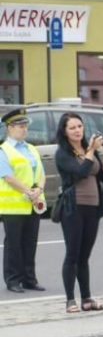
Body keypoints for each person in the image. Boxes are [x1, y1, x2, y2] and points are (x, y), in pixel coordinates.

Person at [54, 112, 103, 313]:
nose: (77, 130)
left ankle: (87, 299)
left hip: (93, 207)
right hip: (73, 208)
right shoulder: (63, 153)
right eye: (72, 128)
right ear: (65, 131)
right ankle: (70, 300)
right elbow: (80, 172)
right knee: (72, 254)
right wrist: (90, 151)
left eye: (79, 126)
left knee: (84, 256)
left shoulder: (89, 148)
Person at [0, 108, 46, 293]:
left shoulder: (32, 149)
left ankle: (29, 279)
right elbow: (8, 177)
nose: (24, 129)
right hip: (14, 206)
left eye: (25, 125)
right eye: (20, 125)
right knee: (13, 244)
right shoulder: (4, 150)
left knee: (30, 243)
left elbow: (41, 173)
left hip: (33, 204)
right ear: (9, 128)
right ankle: (13, 280)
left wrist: (39, 190)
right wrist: (29, 192)